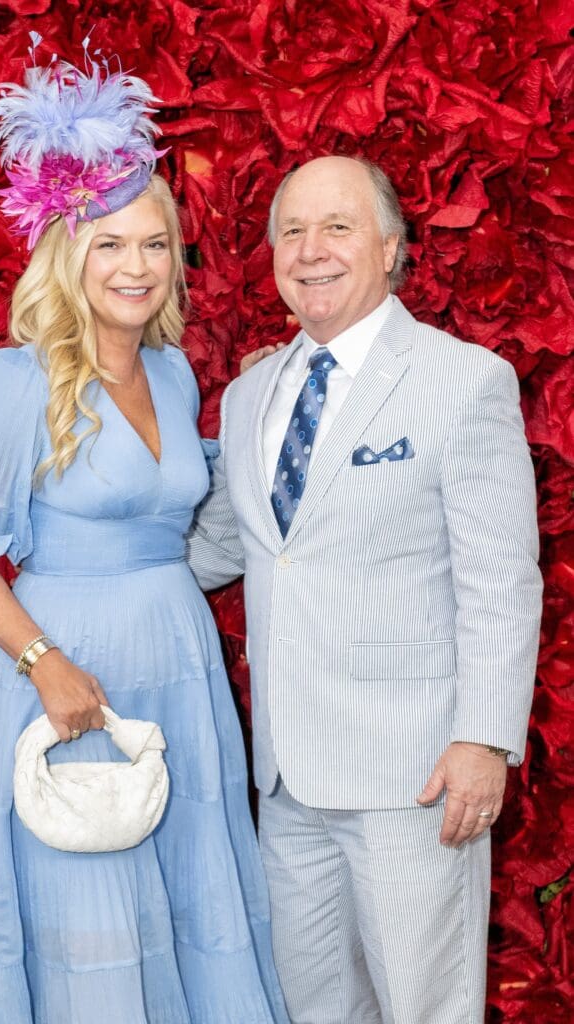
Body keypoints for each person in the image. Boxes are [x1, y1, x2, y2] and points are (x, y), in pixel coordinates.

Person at [0, 45, 288, 1024]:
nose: (136, 266)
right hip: (69, 672)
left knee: (190, 896)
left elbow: (190, 526)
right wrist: (42, 660)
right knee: (87, 910)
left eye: (155, 244)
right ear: (67, 255)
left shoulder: (175, 377)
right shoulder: (16, 379)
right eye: (108, 244)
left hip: (180, 668)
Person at [187, 155, 542, 1024]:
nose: (311, 250)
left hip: (413, 774)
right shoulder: (247, 395)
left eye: (337, 227)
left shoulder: (464, 381)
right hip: (284, 777)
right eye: (290, 232)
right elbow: (221, 549)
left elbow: (499, 580)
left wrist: (483, 743)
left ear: (390, 248)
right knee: (313, 1008)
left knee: (426, 1008)